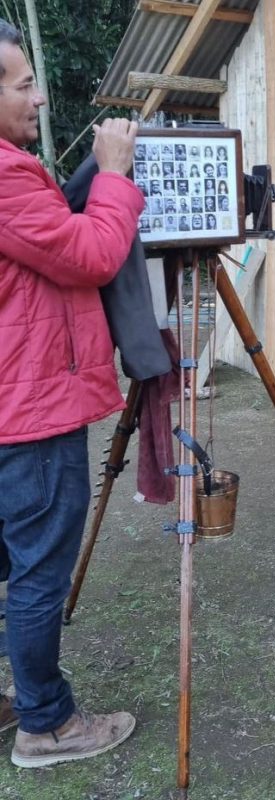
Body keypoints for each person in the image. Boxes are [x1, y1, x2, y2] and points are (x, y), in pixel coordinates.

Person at [0, 20, 143, 765]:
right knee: (36, 572)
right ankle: (46, 724)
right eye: (24, 84)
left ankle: (19, 695)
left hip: (10, 403)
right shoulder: (2, 173)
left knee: (9, 564)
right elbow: (88, 253)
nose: (40, 96)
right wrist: (114, 173)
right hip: (28, 411)